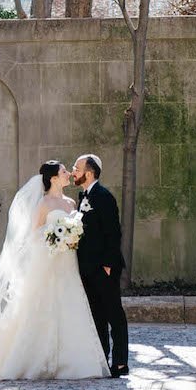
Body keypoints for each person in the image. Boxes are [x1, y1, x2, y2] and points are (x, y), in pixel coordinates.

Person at [0, 160, 109, 381]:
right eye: (64, 171)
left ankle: (73, 362)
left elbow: (78, 232)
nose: (68, 174)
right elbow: (33, 235)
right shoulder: (44, 204)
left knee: (70, 304)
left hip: (68, 262)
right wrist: (55, 237)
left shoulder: (71, 203)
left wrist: (71, 237)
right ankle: (30, 359)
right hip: (47, 262)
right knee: (40, 306)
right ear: (54, 178)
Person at [71, 153, 129, 378]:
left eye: (77, 168)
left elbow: (114, 233)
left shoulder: (104, 196)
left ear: (89, 172)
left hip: (104, 268)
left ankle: (121, 363)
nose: (74, 171)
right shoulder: (83, 196)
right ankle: (103, 359)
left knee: (114, 314)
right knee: (97, 316)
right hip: (87, 269)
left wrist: (107, 265)